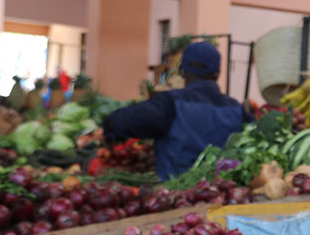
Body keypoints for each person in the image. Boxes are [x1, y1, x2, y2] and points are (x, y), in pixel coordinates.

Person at [103, 41, 252, 180]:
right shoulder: (237, 110)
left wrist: (109, 127)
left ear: (181, 71)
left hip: (179, 198)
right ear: (218, 73)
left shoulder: (170, 104)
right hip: (224, 196)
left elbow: (121, 122)